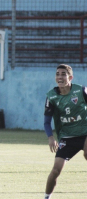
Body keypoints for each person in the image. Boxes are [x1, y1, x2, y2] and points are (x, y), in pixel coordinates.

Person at [43, 64, 87, 199]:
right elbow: (46, 122)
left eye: (63, 74)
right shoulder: (51, 96)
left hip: (85, 134)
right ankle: (46, 197)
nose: (59, 77)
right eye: (57, 74)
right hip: (67, 137)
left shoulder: (82, 91)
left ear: (70, 77)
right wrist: (51, 137)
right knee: (56, 170)